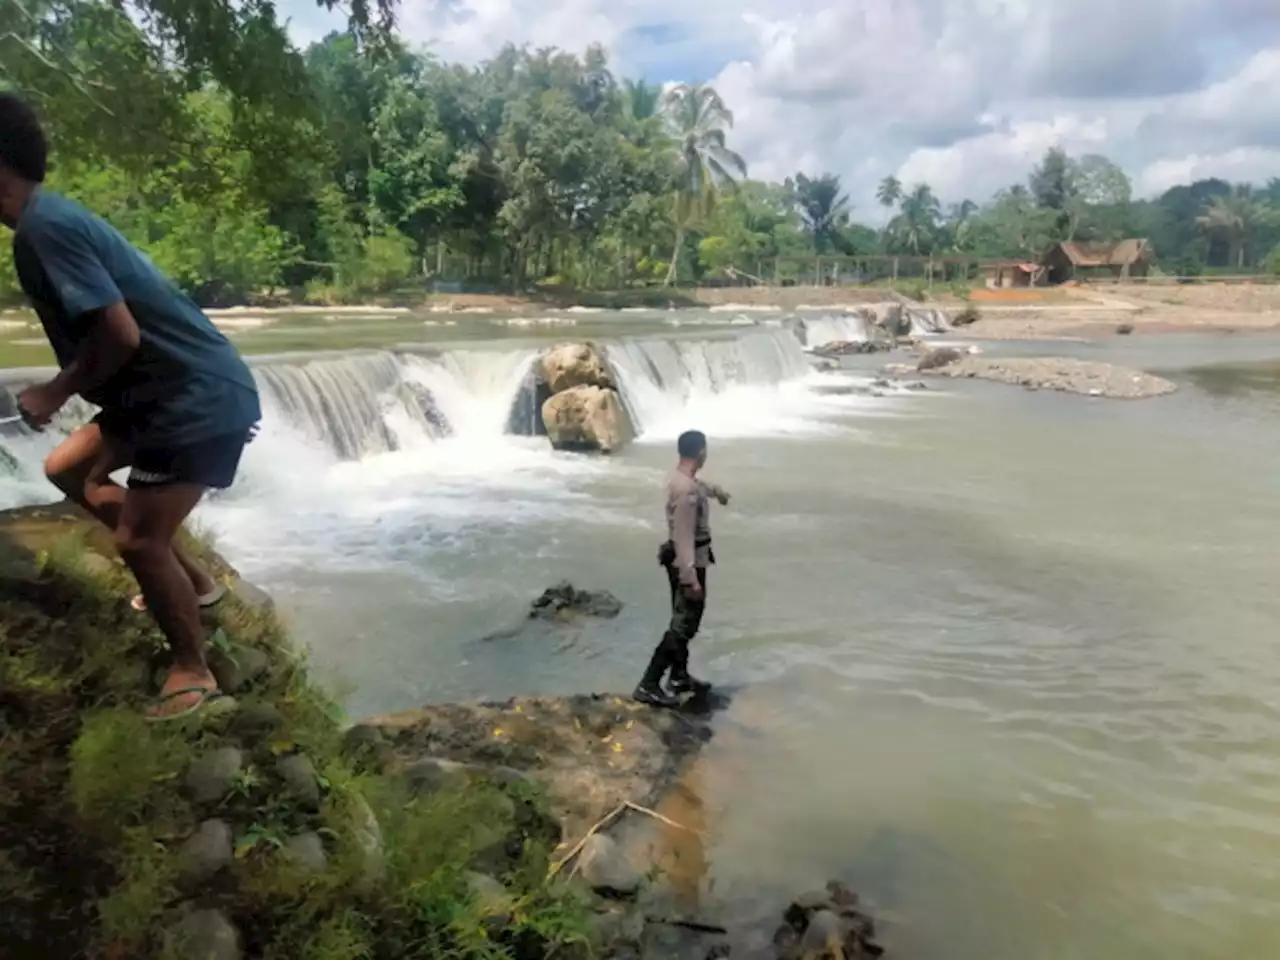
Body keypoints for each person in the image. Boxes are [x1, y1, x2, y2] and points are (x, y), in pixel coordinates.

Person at [0, 92, 261, 721]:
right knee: (67, 469)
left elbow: (121, 334)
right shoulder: (46, 221)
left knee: (138, 543)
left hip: (190, 398)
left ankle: (193, 674)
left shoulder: (45, 229)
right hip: (158, 394)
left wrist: (54, 391)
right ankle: (195, 583)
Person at [634, 429, 730, 708]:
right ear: (701, 451)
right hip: (688, 560)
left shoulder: (681, 480)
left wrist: (718, 493)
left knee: (684, 618)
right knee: (685, 622)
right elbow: (684, 536)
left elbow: (699, 486)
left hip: (680, 557)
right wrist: (691, 578)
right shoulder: (686, 491)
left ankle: (678, 676)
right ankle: (649, 683)